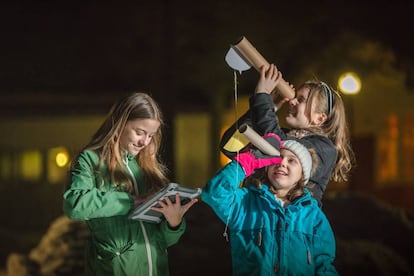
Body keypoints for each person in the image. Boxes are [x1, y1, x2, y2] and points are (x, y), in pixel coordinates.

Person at [63, 92, 198, 276]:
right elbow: (75, 204)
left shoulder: (147, 169)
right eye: (140, 132)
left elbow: (160, 241)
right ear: (119, 123)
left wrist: (173, 224)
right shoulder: (90, 160)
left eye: (151, 135)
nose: (145, 142)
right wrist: (131, 202)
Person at [202, 135, 338, 275]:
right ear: (266, 166)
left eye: (292, 160)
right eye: (277, 157)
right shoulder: (246, 203)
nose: (282, 163)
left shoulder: (313, 216)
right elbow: (214, 193)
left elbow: (324, 265)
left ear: (302, 175)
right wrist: (248, 161)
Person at [220, 64, 354, 206]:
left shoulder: (324, 148)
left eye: (301, 100)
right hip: (253, 217)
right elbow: (230, 147)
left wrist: (262, 97)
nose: (292, 101)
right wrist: (264, 108)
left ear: (319, 118)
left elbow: (282, 148)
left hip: (287, 226)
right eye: (295, 97)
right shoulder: (279, 134)